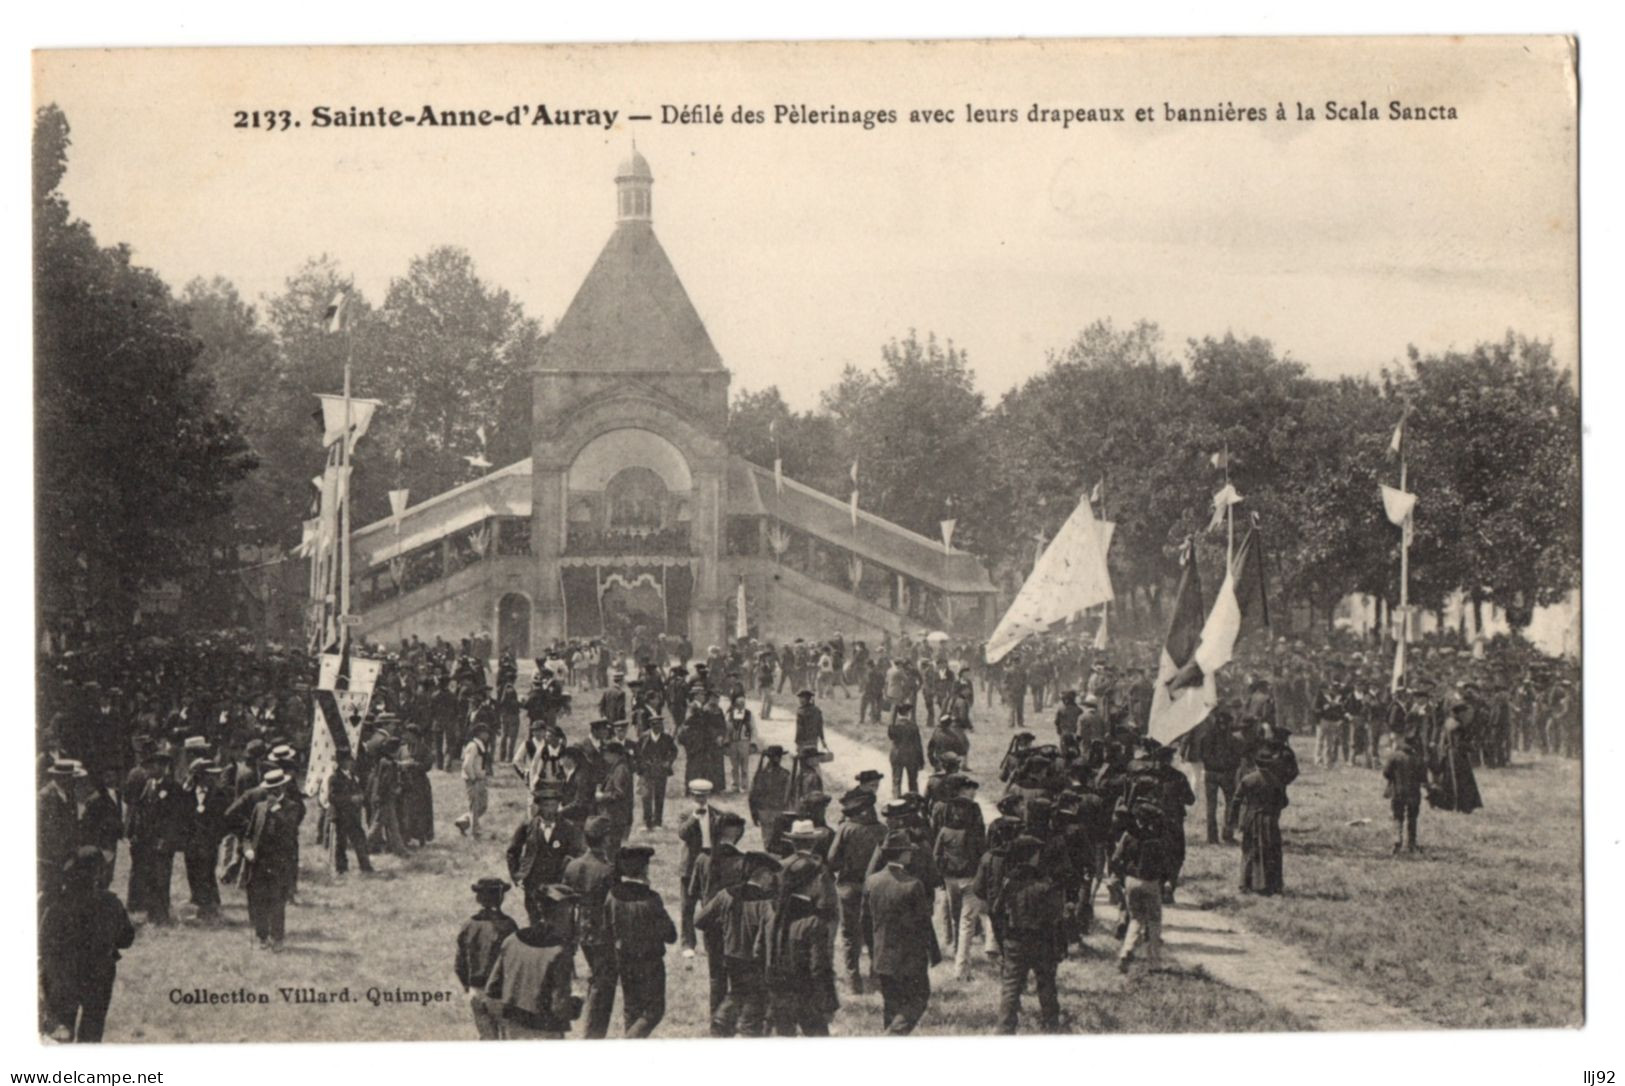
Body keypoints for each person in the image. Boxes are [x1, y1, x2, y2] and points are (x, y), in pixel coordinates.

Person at [39, 848, 134, 1043]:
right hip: (100, 975)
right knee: (92, 1032)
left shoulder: (57, 905)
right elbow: (126, 940)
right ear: (98, 874)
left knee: (60, 1034)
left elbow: (43, 943)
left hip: (62, 977)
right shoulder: (110, 903)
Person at [695, 850, 781, 1037]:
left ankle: (722, 1021)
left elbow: (700, 921)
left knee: (738, 991)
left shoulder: (725, 894)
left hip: (731, 957)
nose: (772, 880)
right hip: (756, 961)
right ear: (763, 874)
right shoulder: (767, 903)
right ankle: (740, 1028)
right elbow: (770, 936)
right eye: (770, 875)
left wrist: (724, 929)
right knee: (754, 1003)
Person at [862, 830, 939, 1034]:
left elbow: (865, 921)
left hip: (882, 953)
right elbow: (923, 925)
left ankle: (890, 1034)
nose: (911, 855)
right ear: (903, 854)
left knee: (891, 1003)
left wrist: (873, 948)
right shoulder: (913, 884)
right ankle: (892, 1035)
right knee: (919, 997)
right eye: (908, 851)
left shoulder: (872, 881)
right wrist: (930, 953)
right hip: (909, 957)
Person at [483, 884, 583, 1039]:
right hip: (545, 1032)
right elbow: (559, 1008)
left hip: (512, 1028)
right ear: (566, 911)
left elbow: (492, 990)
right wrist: (578, 1001)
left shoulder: (512, 940)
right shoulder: (559, 952)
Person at [991, 835, 1065, 1033]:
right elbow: (1056, 917)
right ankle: (1051, 1023)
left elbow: (997, 912)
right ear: (1032, 856)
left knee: (1011, 986)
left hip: (1014, 941)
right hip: (1041, 941)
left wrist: (1002, 939)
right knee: (1046, 983)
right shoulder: (1045, 883)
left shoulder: (1009, 883)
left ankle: (1004, 1027)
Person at [603, 844, 677, 1037]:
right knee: (654, 1011)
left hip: (624, 960)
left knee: (631, 1009)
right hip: (650, 962)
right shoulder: (652, 899)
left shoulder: (612, 896)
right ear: (644, 869)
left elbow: (607, 930)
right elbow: (671, 935)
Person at [767, 854, 839, 1036]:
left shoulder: (775, 916)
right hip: (807, 998)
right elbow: (819, 968)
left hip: (779, 997)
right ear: (812, 882)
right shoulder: (814, 922)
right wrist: (828, 1004)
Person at [229, 768, 301, 950]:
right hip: (258, 862)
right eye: (269, 790)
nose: (272, 794)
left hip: (278, 862)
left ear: (282, 788)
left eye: (276, 790)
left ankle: (277, 938)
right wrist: (247, 850)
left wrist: (276, 810)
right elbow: (248, 835)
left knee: (277, 900)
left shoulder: (291, 807)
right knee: (257, 899)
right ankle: (262, 936)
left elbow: (290, 832)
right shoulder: (259, 808)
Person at [827, 788, 887, 993]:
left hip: (849, 888)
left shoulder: (846, 829)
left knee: (850, 937)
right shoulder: (883, 830)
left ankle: (853, 982)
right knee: (876, 933)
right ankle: (876, 977)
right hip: (877, 888)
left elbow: (832, 861)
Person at [563, 816, 618, 1038]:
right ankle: (594, 1034)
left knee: (597, 977)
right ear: (605, 840)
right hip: (602, 931)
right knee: (603, 982)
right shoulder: (607, 870)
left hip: (580, 928)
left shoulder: (573, 866)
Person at [507, 781, 587, 926]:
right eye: (546, 806)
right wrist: (517, 874)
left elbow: (578, 852)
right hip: (533, 879)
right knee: (534, 917)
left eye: (554, 805)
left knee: (556, 918)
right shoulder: (528, 825)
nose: (550, 810)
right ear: (539, 806)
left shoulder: (568, 827)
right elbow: (513, 851)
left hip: (557, 879)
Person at [455, 878, 519, 1040]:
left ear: (479, 898)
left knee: (486, 1038)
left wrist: (468, 986)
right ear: (501, 898)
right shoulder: (509, 925)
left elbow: (459, 964)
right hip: (500, 992)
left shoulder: (468, 925)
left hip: (476, 991)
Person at [1237, 726, 1298, 896]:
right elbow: (1293, 772)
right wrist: (1282, 781)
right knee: (1269, 843)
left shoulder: (1262, 748)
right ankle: (1268, 883)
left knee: (1252, 845)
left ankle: (1248, 882)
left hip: (1254, 796)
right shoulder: (1285, 753)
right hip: (1272, 799)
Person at [1113, 801, 1171, 973]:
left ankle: (1126, 950)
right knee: (1154, 921)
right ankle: (1154, 962)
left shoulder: (1128, 835)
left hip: (1131, 880)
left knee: (1136, 918)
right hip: (1151, 882)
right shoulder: (1157, 838)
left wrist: (1120, 874)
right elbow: (1165, 863)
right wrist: (1167, 881)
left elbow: (1116, 858)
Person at [675, 780, 721, 954]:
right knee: (688, 905)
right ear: (692, 795)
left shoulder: (716, 813)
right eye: (697, 796)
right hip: (691, 864)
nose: (701, 799)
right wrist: (695, 817)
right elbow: (683, 834)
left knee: (709, 905)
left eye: (704, 796)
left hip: (709, 861)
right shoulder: (685, 814)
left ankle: (711, 943)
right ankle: (688, 944)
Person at [321, 750, 373, 875]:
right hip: (341, 815)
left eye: (351, 760)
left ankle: (365, 866)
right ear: (341, 762)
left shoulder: (352, 776)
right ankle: (341, 868)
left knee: (359, 839)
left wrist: (361, 796)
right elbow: (332, 798)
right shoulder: (334, 778)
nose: (351, 763)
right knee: (341, 843)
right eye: (348, 761)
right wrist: (350, 799)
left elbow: (358, 790)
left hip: (353, 814)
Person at [1383, 733, 1427, 854]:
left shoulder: (1394, 756)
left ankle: (1397, 839)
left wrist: (1394, 778)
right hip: (1414, 793)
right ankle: (1411, 843)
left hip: (1398, 792)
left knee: (1398, 816)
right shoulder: (1418, 758)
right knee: (1412, 818)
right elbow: (1423, 778)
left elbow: (1386, 773)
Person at [634, 715, 677, 831]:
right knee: (646, 796)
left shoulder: (667, 738)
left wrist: (668, 762)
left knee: (659, 795)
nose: (657, 727)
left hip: (661, 771)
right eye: (654, 725)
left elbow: (674, 751)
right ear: (650, 726)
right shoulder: (644, 737)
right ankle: (647, 822)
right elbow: (637, 753)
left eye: (659, 725)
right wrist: (642, 766)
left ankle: (658, 822)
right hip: (647, 771)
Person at [748, 746, 791, 853]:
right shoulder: (785, 774)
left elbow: (752, 796)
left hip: (764, 812)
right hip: (779, 812)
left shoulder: (760, 774)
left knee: (767, 842)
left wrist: (754, 813)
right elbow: (789, 796)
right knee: (780, 841)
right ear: (778, 758)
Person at [455, 723, 492, 838]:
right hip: (473, 780)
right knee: (475, 806)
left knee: (483, 806)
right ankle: (476, 831)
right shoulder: (473, 746)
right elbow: (466, 765)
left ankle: (463, 821)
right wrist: (473, 777)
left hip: (480, 779)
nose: (487, 735)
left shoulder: (481, 745)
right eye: (484, 732)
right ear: (478, 734)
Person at [886, 703, 925, 797]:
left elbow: (891, 736)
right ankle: (914, 801)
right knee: (912, 781)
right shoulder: (913, 726)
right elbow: (918, 745)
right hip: (911, 756)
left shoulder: (894, 726)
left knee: (896, 780)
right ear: (908, 713)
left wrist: (891, 721)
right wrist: (921, 761)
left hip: (897, 756)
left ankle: (896, 800)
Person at [724, 697, 756, 794]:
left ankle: (744, 786)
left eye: (743, 704)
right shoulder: (730, 714)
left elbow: (753, 729)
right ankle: (735, 785)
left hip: (744, 742)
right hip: (733, 742)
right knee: (734, 766)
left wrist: (753, 743)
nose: (740, 706)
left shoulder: (749, 714)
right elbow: (726, 729)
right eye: (738, 704)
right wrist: (726, 742)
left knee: (744, 766)